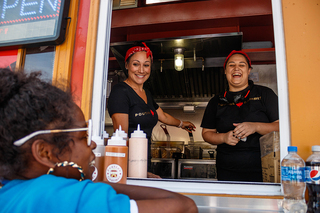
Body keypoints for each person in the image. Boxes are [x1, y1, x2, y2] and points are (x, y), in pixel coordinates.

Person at [0, 68, 198, 213]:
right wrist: (91, 181)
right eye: (83, 137)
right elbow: (185, 207)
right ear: (45, 152)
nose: (93, 144)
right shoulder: (70, 196)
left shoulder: (8, 191)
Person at [107, 42, 195, 175]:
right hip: (129, 164)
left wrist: (182, 124)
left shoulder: (146, 93)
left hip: (143, 160)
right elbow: (121, 137)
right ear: (126, 65)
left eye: (146, 65)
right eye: (136, 64)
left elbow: (162, 116)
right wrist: (137, 171)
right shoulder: (120, 92)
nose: (141, 70)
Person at [201, 50, 279, 182]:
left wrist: (255, 127)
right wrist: (224, 137)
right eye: (231, 65)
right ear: (225, 71)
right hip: (227, 171)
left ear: (249, 71)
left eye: (242, 65)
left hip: (264, 169)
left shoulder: (265, 94)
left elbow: (281, 126)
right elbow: (207, 133)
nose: (236, 68)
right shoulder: (216, 101)